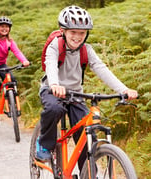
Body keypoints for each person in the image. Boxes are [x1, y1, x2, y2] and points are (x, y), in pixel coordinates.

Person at [37, 5, 138, 173]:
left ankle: (89, 174)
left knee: (86, 133)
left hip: (75, 94)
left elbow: (101, 69)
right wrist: (54, 84)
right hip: (52, 90)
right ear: (63, 30)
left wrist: (124, 89)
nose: (77, 37)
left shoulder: (86, 50)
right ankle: (45, 145)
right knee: (54, 109)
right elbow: (50, 65)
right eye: (73, 32)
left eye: (82, 33)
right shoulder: (55, 46)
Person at [0, 16, 30, 112]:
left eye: (7, 27)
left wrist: (24, 61)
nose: (4, 29)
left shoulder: (9, 41)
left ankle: (13, 102)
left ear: (9, 29)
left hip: (2, 65)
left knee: (12, 80)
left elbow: (17, 52)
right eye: (2, 26)